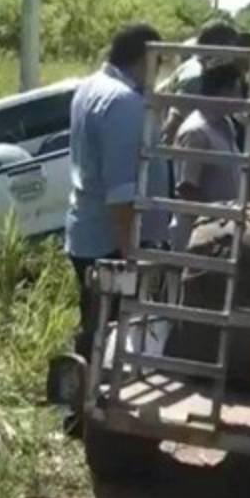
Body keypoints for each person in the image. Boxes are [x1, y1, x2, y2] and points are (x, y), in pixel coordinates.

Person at [65, 23, 171, 356]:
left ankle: (81, 394)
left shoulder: (89, 88)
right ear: (145, 58)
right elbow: (121, 191)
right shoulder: (123, 102)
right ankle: (89, 397)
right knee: (107, 334)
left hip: (86, 229)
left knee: (94, 323)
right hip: (111, 240)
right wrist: (131, 256)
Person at [170, 61, 246, 250]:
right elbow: (187, 189)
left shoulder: (226, 124)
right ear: (224, 92)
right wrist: (209, 224)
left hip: (221, 230)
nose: (241, 98)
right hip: (198, 234)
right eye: (237, 91)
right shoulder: (196, 132)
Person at [157, 20, 240, 143]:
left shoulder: (202, 70)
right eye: (232, 49)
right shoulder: (196, 77)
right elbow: (172, 127)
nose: (234, 57)